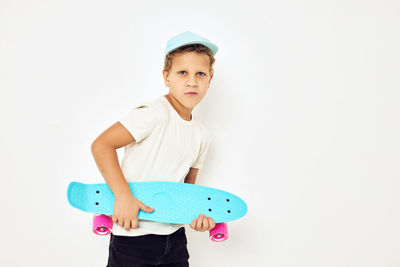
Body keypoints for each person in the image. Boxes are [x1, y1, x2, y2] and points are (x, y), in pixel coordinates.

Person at [91, 30, 219, 267]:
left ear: (210, 79)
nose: (192, 81)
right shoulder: (152, 114)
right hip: (133, 238)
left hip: (175, 241)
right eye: (183, 73)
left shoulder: (202, 135)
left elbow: (186, 193)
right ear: (166, 76)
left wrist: (197, 218)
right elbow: (102, 145)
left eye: (200, 74)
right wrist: (123, 197)